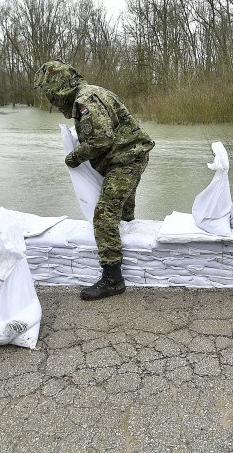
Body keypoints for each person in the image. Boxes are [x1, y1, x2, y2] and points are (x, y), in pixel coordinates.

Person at [33, 59, 154, 301]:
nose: (52, 102)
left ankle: (112, 279)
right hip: (131, 155)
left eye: (50, 95)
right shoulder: (93, 92)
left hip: (125, 160)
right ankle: (131, 257)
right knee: (123, 214)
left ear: (59, 89)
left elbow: (101, 140)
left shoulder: (84, 101)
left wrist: (74, 157)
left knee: (104, 215)